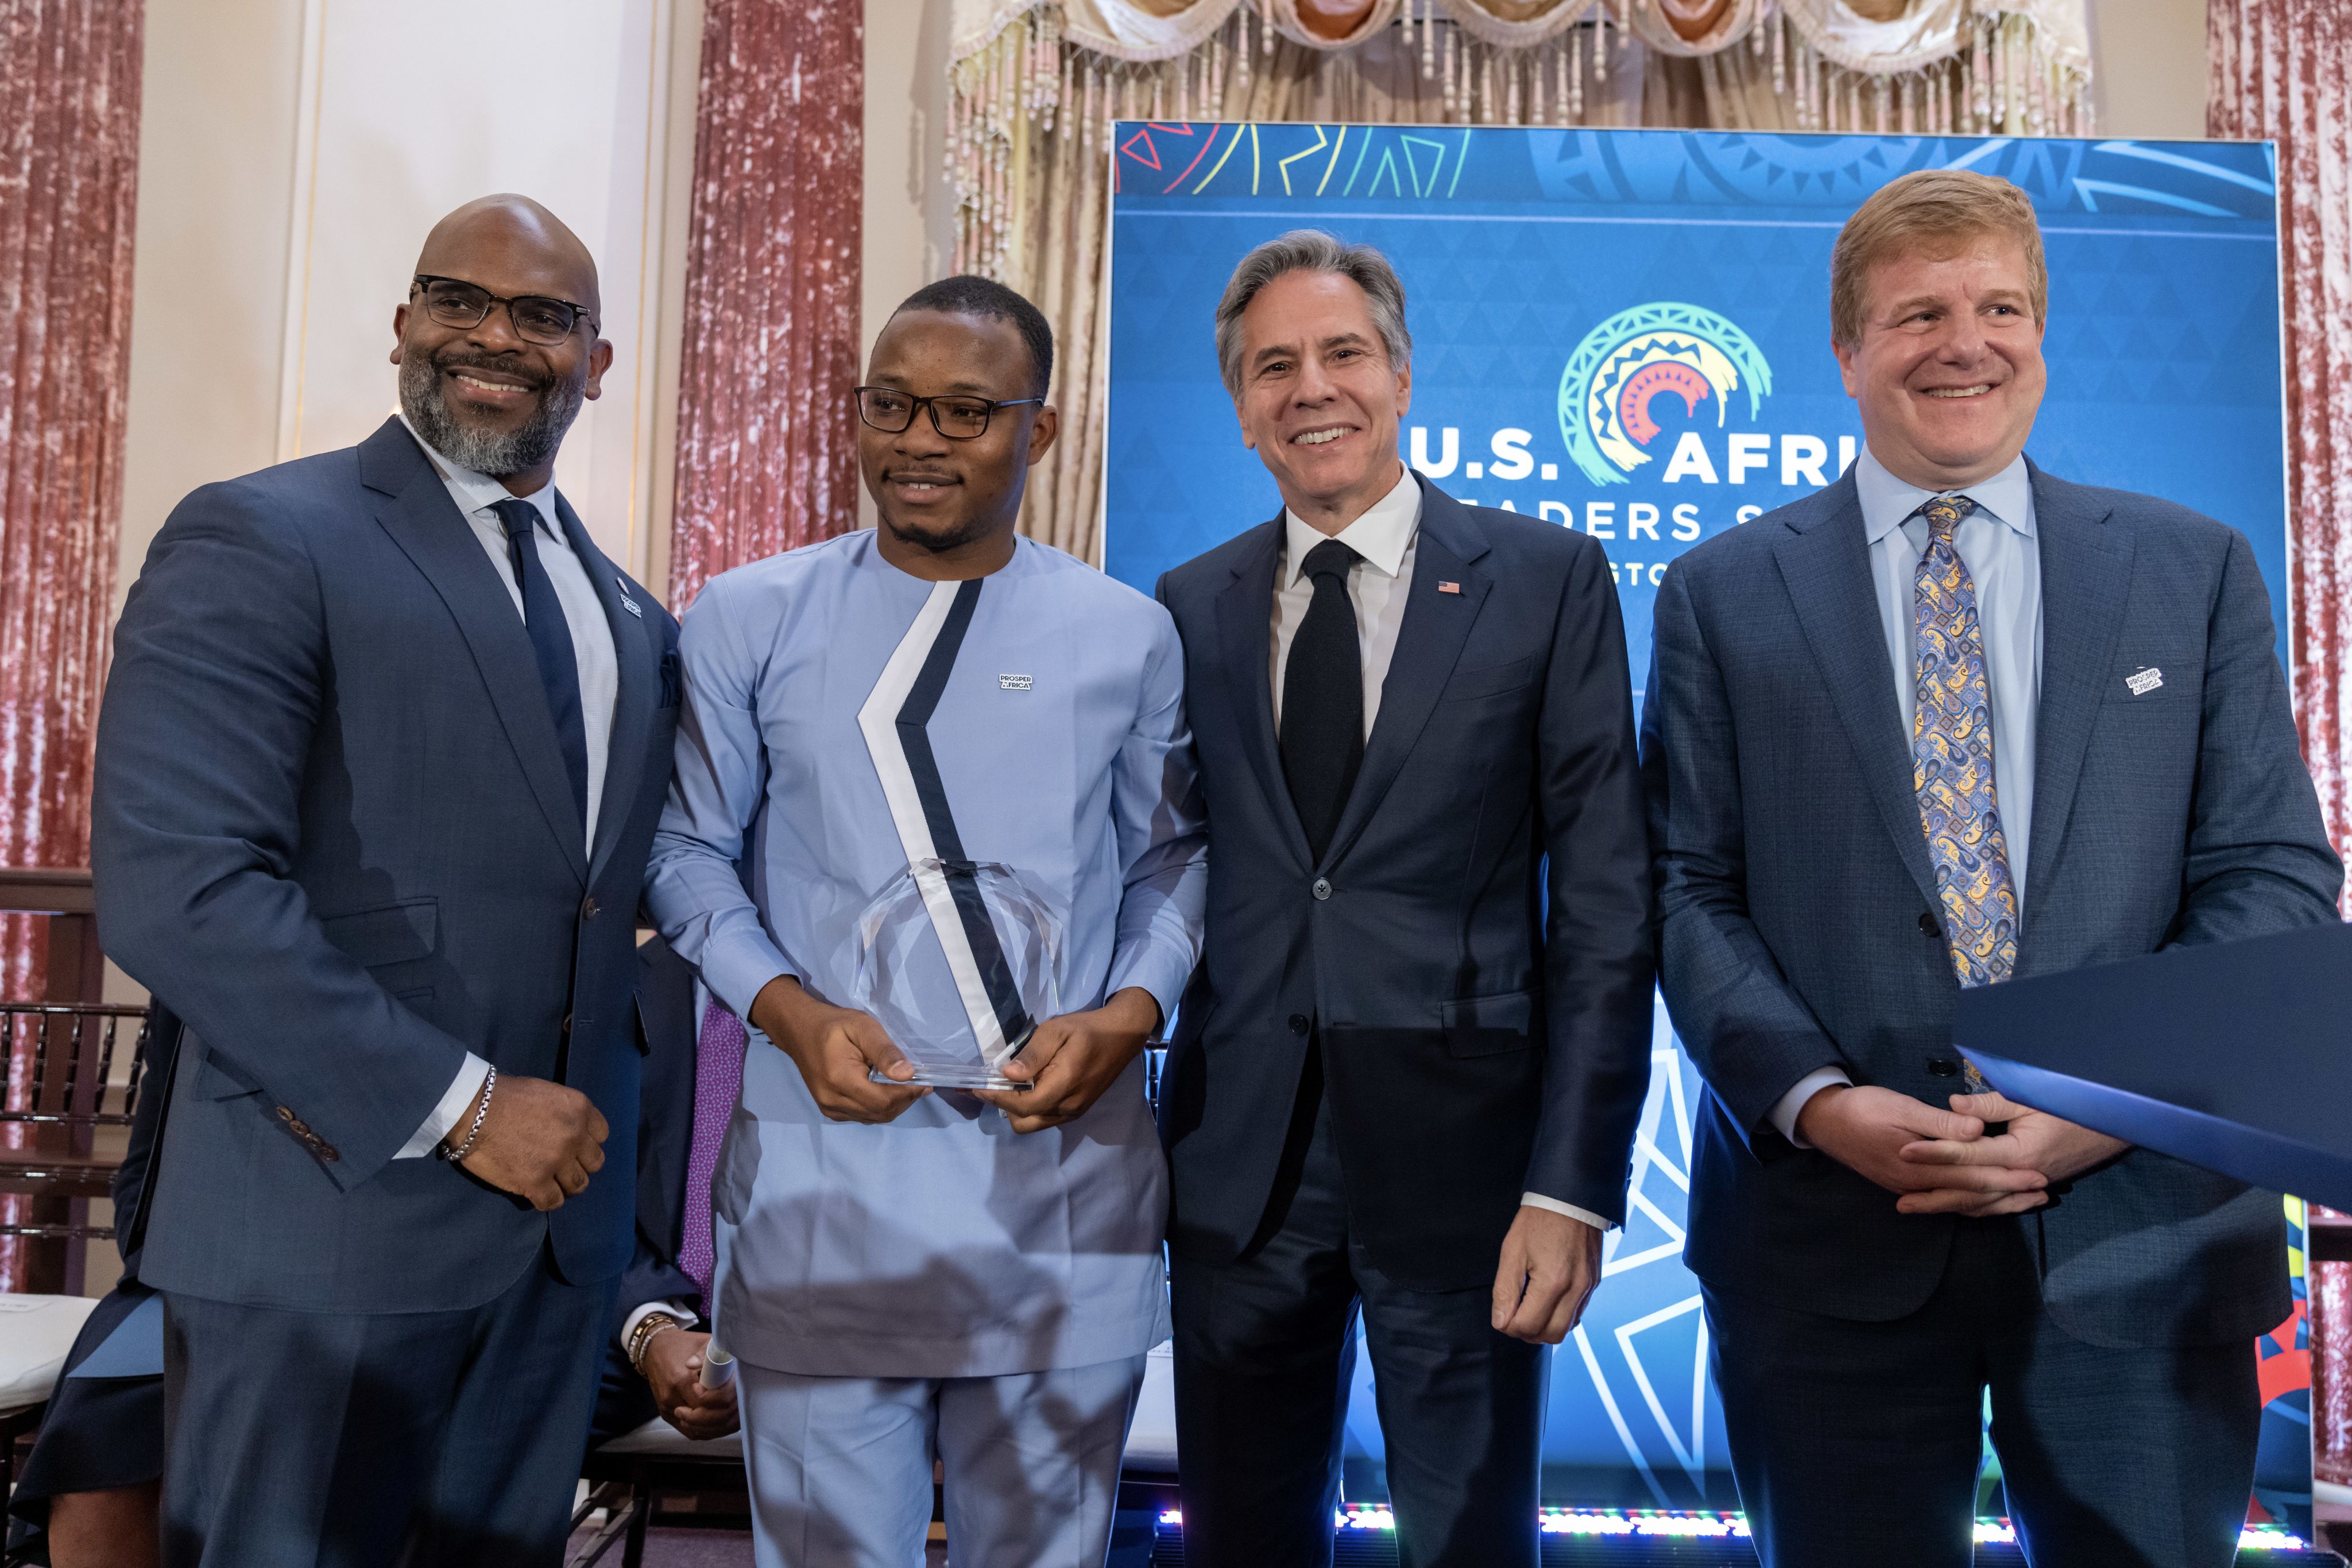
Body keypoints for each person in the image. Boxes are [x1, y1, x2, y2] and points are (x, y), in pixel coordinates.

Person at [1642, 168, 2343, 1567]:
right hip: (1826, 1244)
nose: (1964, 344)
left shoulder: (2192, 569)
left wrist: (2104, 1106)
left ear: (2040, 332)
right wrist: (1818, 1104)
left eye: (2000, 308)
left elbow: (2269, 875)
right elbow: (1682, 887)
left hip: (2141, 1240)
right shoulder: (1721, 593)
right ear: (1847, 349)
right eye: (1918, 315)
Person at [90, 194, 682, 1567]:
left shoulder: (632, 615)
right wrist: (463, 1107)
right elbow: (182, 883)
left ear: (597, 363)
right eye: (458, 300)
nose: (495, 336)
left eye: (543, 316)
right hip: (320, 1229)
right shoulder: (262, 534)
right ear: (404, 324)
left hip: (555, 1257)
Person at [645, 275, 1206, 1568]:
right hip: (823, 1195)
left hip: (1060, 1200)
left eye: (964, 412)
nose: (917, 441)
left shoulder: (1127, 634)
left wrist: (1130, 1013)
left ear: (1038, 430)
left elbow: (1174, 858)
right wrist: (787, 1009)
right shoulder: (749, 614)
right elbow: (683, 852)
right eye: (890, 405)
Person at [1152, 231, 1654, 1568]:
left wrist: (1573, 1187)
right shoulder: (1188, 604)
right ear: (1241, 406)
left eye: (1342, 353)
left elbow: (1606, 908)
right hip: (1237, 1172)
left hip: (1471, 1181)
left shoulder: (1545, 581)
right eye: (1274, 366)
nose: (1311, 388)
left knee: (1469, 1542)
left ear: (1401, 375)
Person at [5, 1008, 181, 1568]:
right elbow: (142, 1168)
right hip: (172, 1277)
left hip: (343, 1280)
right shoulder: (181, 996)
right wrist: (153, 1255)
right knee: (94, 1441)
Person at [588, 934, 740, 1447]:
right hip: (646, 1305)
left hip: (817, 1326)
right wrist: (650, 1327)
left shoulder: (860, 991)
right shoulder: (611, 980)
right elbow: (583, 1189)